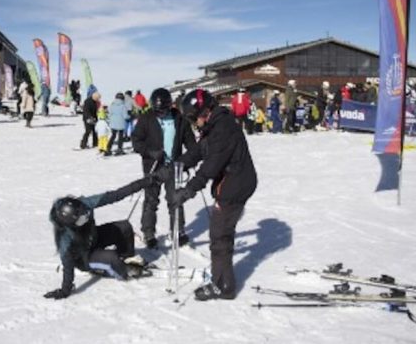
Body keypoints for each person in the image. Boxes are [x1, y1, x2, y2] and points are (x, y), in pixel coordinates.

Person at [165, 88, 257, 301]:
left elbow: (211, 166)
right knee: (221, 230)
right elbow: (199, 151)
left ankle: (223, 286)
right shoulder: (215, 124)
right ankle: (222, 278)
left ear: (204, 112)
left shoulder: (222, 128)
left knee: (219, 235)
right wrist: (179, 163)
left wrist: (188, 191)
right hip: (234, 181)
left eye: (192, 118)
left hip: (236, 185)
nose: (192, 123)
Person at [44, 176, 157, 300]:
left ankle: (127, 257)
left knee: (124, 227)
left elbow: (115, 195)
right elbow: (68, 267)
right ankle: (125, 271)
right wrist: (65, 291)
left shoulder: (84, 204)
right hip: (85, 257)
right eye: (81, 218)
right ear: (71, 223)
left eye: (85, 213)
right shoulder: (65, 239)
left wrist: (144, 183)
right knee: (111, 258)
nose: (86, 216)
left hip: (94, 238)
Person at [132, 88, 197, 249]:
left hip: (173, 165)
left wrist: (191, 159)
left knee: (175, 199)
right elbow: (136, 141)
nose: (160, 114)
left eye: (163, 111)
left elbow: (190, 142)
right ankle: (148, 232)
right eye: (157, 111)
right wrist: (150, 152)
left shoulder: (179, 119)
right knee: (151, 199)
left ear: (170, 106)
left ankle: (178, 230)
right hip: (153, 165)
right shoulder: (146, 118)